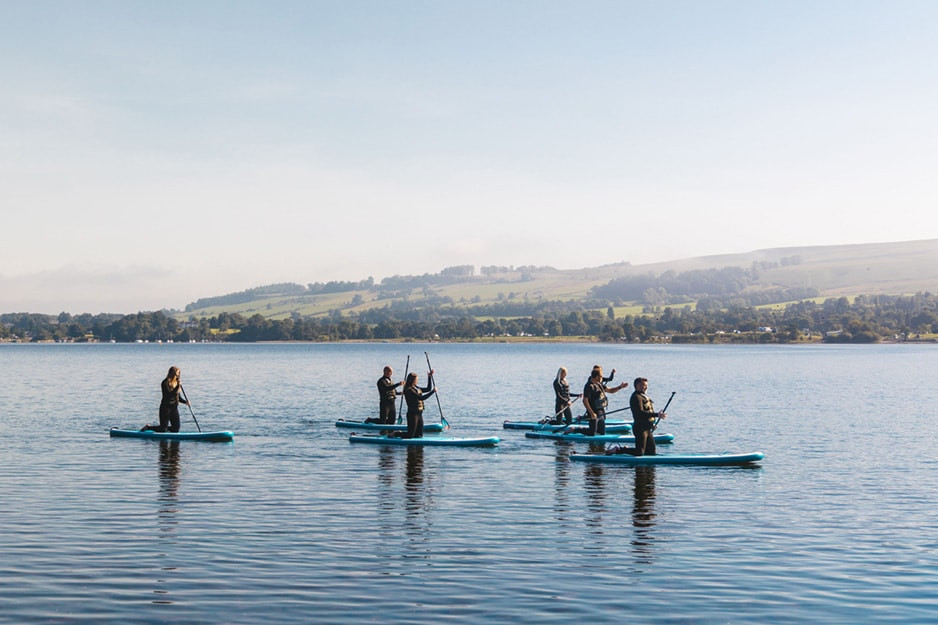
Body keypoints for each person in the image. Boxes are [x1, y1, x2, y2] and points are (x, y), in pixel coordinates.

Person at [607, 377, 667, 456]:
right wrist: (656, 415)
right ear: (636, 386)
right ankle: (618, 450)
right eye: (642, 385)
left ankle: (627, 449)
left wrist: (651, 423)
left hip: (647, 428)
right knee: (640, 452)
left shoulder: (644, 396)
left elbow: (648, 413)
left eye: (645, 386)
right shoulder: (636, 397)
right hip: (640, 428)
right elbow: (640, 413)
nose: (644, 387)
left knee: (651, 453)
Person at [567, 367, 628, 436]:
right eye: (601, 376)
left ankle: (600, 446)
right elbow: (585, 400)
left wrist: (620, 387)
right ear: (597, 376)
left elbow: (610, 390)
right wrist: (592, 413)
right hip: (593, 411)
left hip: (601, 411)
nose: (602, 378)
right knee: (592, 433)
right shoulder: (589, 386)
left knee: (602, 433)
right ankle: (574, 429)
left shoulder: (599, 384)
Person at [141, 366, 189, 433]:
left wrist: (185, 402)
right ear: (172, 373)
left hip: (174, 408)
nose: (177, 376)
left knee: (176, 429)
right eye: (176, 374)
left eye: (178, 374)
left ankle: (173, 440)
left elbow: (178, 397)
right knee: (163, 429)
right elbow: (170, 395)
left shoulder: (176, 383)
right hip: (165, 408)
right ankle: (148, 427)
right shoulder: (165, 383)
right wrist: (178, 386)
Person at [397, 370, 436, 439]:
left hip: (419, 414)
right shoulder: (409, 390)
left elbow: (428, 389)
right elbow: (421, 398)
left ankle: (417, 449)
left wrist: (429, 377)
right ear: (412, 380)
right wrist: (433, 392)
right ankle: (396, 433)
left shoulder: (416, 388)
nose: (417, 380)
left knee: (419, 435)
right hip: (412, 414)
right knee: (410, 435)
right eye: (416, 379)